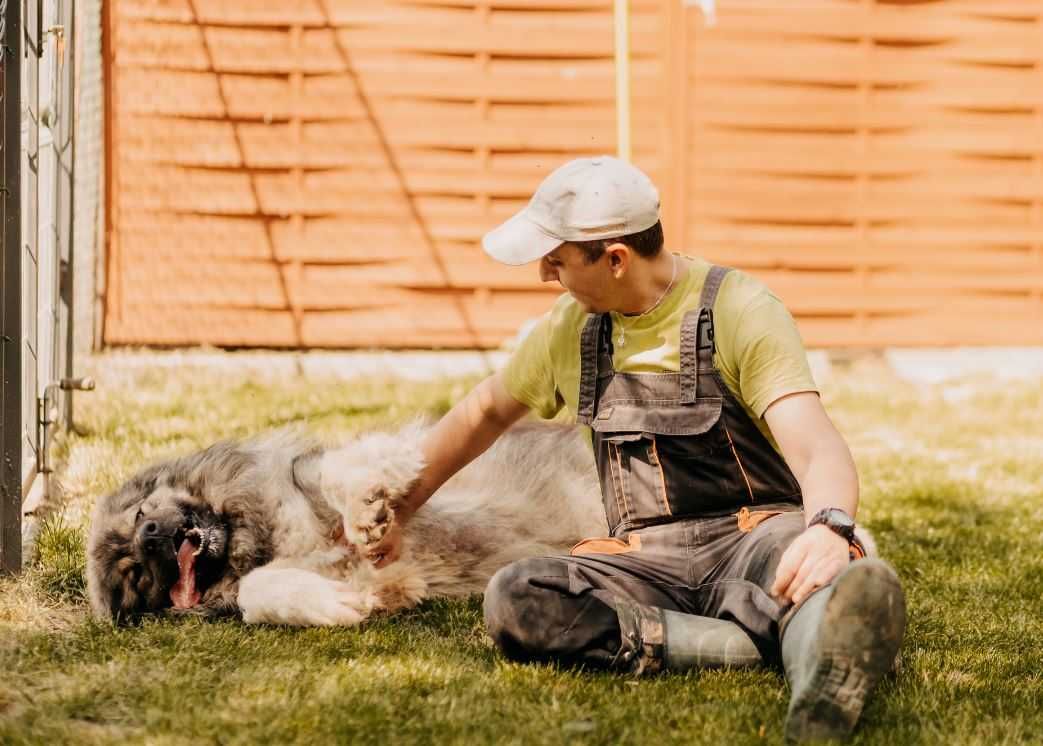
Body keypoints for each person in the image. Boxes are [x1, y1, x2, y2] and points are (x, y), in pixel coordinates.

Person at [362, 156, 906, 743]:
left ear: (615, 258)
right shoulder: (570, 331)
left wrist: (827, 527)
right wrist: (404, 510)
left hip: (755, 540)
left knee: (818, 574)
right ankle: (755, 643)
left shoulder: (741, 309)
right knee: (518, 597)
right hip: (645, 562)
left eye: (558, 259)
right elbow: (483, 414)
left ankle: (820, 691)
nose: (547, 274)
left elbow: (815, 444)